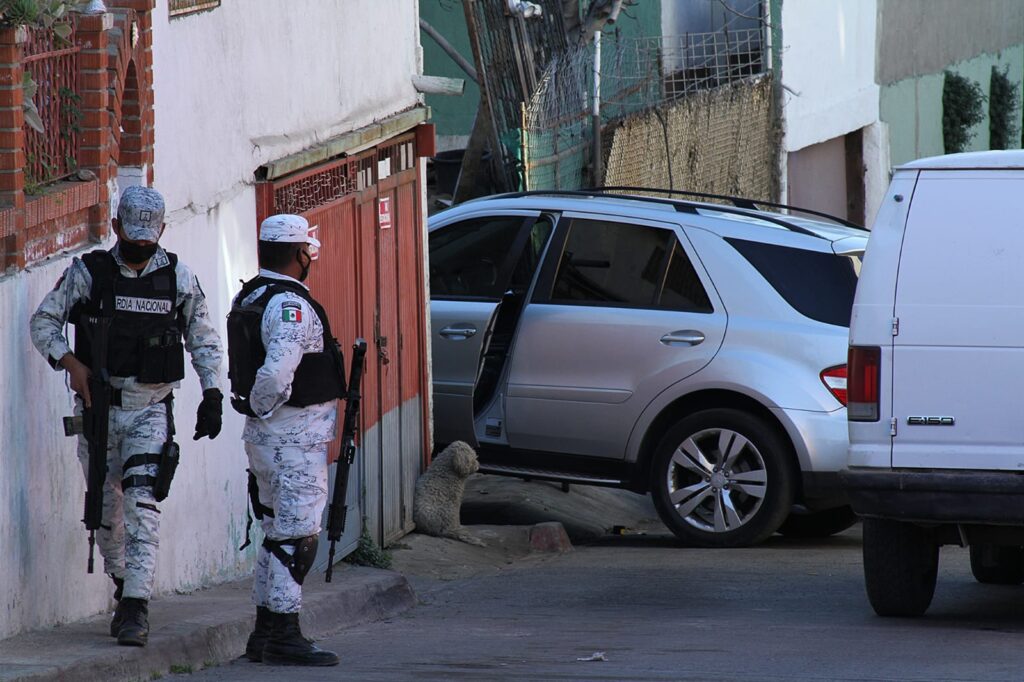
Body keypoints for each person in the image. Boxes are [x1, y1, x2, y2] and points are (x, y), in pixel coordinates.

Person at [29, 186, 224, 647]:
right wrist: (70, 363)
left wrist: (212, 392)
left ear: (161, 232)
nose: (139, 249)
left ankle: (137, 606)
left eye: (147, 241)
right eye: (132, 239)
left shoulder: (178, 278)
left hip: (150, 409)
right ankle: (123, 584)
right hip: (98, 410)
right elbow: (43, 323)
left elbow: (203, 337)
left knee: (142, 502)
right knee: (104, 515)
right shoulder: (87, 273)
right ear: (116, 228)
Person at [229, 214, 345, 667]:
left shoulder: (253, 293)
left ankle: (265, 633)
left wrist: (259, 414)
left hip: (269, 438)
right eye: (308, 252)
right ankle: (284, 633)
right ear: (300, 254)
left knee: (278, 532)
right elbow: (277, 371)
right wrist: (263, 406)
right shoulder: (290, 305)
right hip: (291, 438)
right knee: (297, 538)